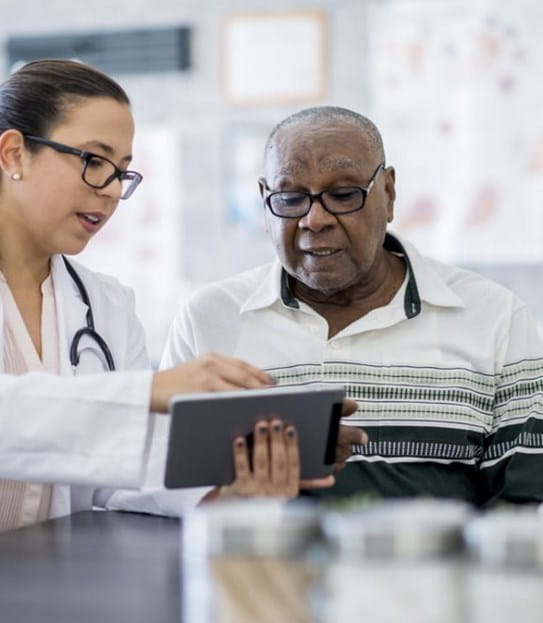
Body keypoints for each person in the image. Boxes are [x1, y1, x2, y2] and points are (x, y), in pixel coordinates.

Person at [152, 105, 543, 509]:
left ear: (388, 194)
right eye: (290, 198)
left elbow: (524, 505)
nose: (314, 219)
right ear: (265, 202)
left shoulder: (494, 317)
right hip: (258, 569)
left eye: (343, 195)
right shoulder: (208, 319)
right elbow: (158, 490)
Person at [0, 59, 323, 532]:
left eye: (122, 172)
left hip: (50, 584)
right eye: (94, 161)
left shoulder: (106, 305)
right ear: (13, 155)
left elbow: (122, 466)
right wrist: (149, 391)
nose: (111, 191)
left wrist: (226, 482)